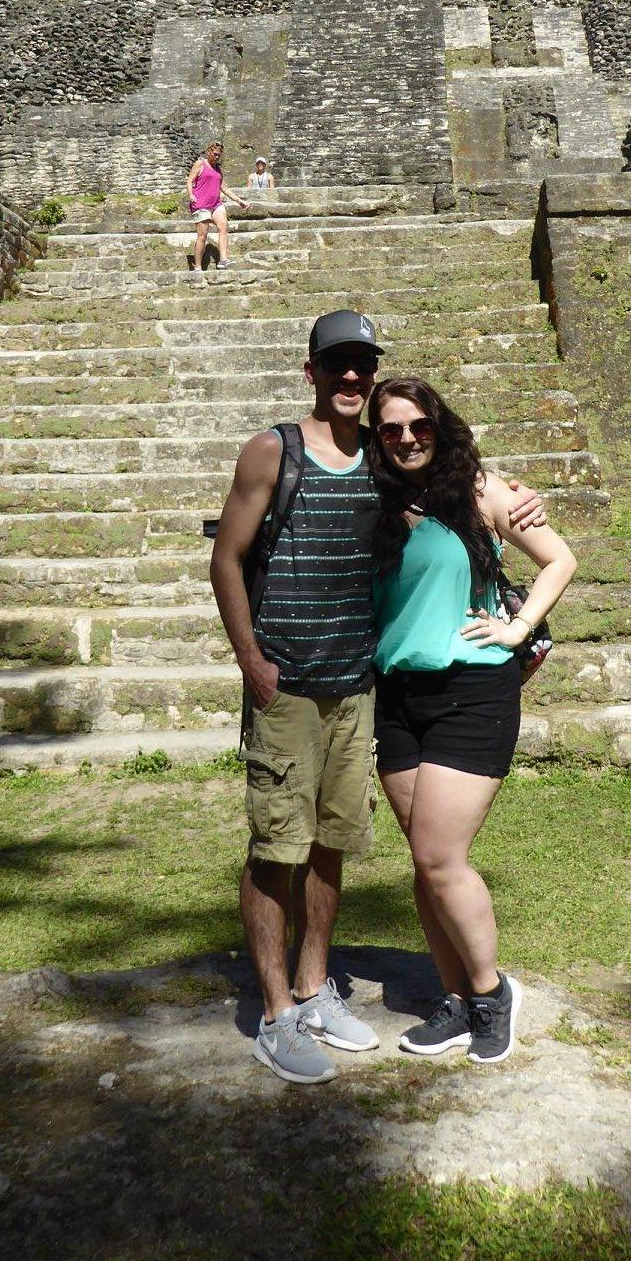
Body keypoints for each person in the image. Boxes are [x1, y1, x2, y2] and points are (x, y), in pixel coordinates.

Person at [209, 315, 553, 1085]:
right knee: (277, 846)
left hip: (360, 685)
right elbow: (226, 557)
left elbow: (460, 478)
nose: (350, 377)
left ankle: (313, 986)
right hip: (286, 681)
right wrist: (249, 658)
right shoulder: (274, 451)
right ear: (311, 371)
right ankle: (276, 1013)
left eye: (361, 365)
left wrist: (518, 500)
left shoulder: (383, 457)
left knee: (332, 842)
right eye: (336, 364)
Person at [366, 377, 577, 1064]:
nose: (406, 439)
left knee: (440, 857)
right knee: (425, 865)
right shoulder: (372, 498)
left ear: (439, 425)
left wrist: (518, 628)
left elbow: (560, 559)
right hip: (398, 694)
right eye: (391, 429)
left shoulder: (484, 490)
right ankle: (454, 999)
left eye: (418, 425)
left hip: (471, 689)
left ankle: (490, 994)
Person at [184, 142, 249, 271]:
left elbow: (224, 187)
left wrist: (239, 200)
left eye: (219, 155)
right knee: (202, 236)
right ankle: (198, 266)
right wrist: (191, 194)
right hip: (201, 204)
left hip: (216, 204)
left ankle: (223, 260)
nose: (217, 157)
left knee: (223, 226)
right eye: (215, 154)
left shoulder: (218, 169)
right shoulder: (200, 164)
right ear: (209, 152)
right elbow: (190, 180)